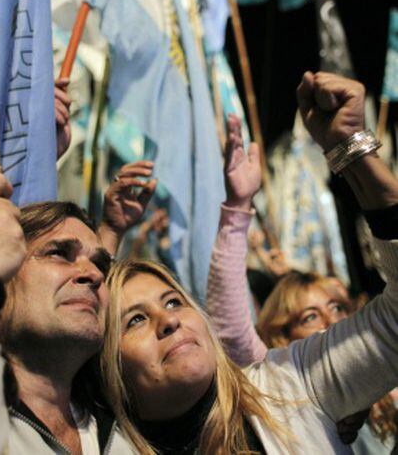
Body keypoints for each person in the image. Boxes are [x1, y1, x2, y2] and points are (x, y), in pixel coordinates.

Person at [101, 72, 398, 453]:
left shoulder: (289, 389)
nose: (169, 320)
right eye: (135, 320)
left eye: (174, 301)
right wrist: (108, 235)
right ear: (106, 367)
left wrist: (352, 151)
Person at [0, 161, 156, 453]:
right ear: (4, 270)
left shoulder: (127, 432)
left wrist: (111, 232)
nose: (95, 275)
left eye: (101, 265)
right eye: (60, 253)